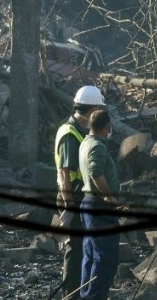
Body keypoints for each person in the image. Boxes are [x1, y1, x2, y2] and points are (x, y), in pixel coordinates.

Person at [54, 85, 105, 299]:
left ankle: (78, 292)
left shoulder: (77, 129)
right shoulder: (69, 133)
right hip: (72, 198)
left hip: (78, 197)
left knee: (82, 249)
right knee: (75, 251)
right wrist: (68, 208)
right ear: (92, 108)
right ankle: (70, 295)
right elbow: (65, 175)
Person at [78, 109, 119, 300]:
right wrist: (110, 197)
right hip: (99, 207)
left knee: (90, 255)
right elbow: (95, 172)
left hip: (88, 204)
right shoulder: (98, 146)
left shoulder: (85, 142)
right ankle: (94, 297)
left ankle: (86, 295)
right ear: (106, 127)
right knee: (106, 258)